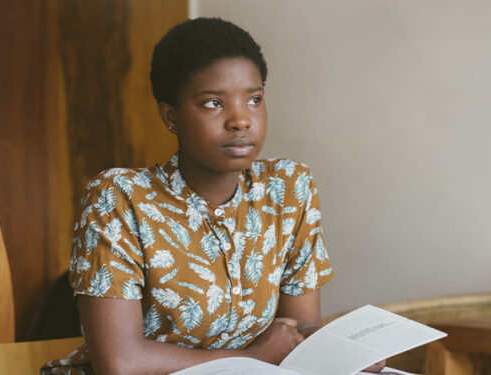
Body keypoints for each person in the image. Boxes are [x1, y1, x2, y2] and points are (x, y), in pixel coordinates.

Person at [42, 17, 384, 375]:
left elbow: (297, 328)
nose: (241, 120)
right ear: (170, 117)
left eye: (254, 99)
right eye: (212, 104)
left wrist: (340, 355)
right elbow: (120, 363)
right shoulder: (120, 198)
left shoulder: (288, 189)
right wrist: (253, 358)